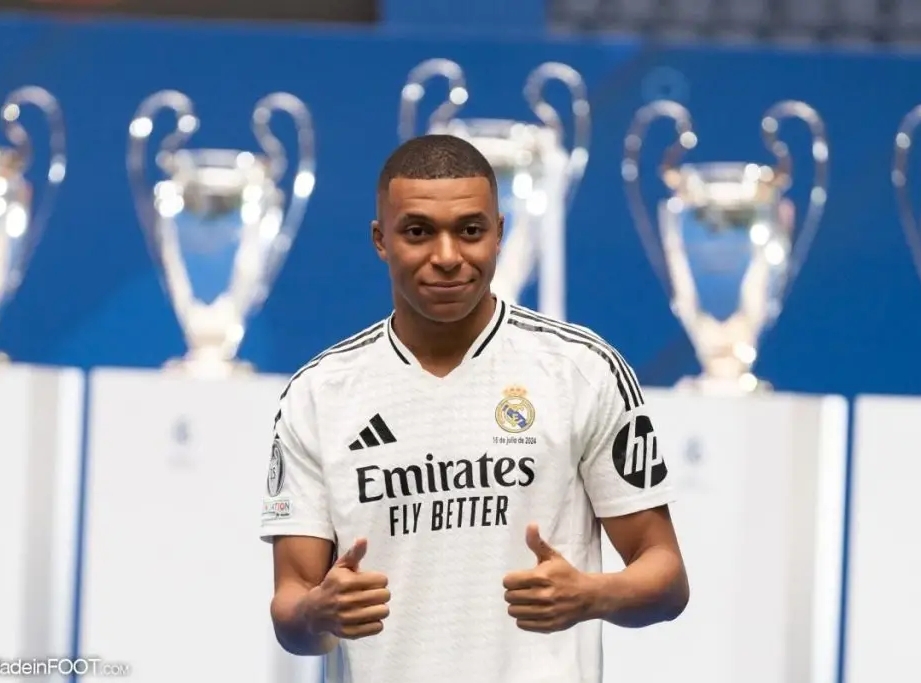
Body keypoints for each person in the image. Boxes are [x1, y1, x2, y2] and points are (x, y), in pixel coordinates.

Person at [261, 134, 689, 683]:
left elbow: (666, 576)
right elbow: (290, 604)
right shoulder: (318, 393)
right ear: (380, 240)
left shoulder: (582, 370)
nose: (447, 257)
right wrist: (316, 613)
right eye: (418, 232)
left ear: (499, 233)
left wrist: (590, 595)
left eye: (470, 231)